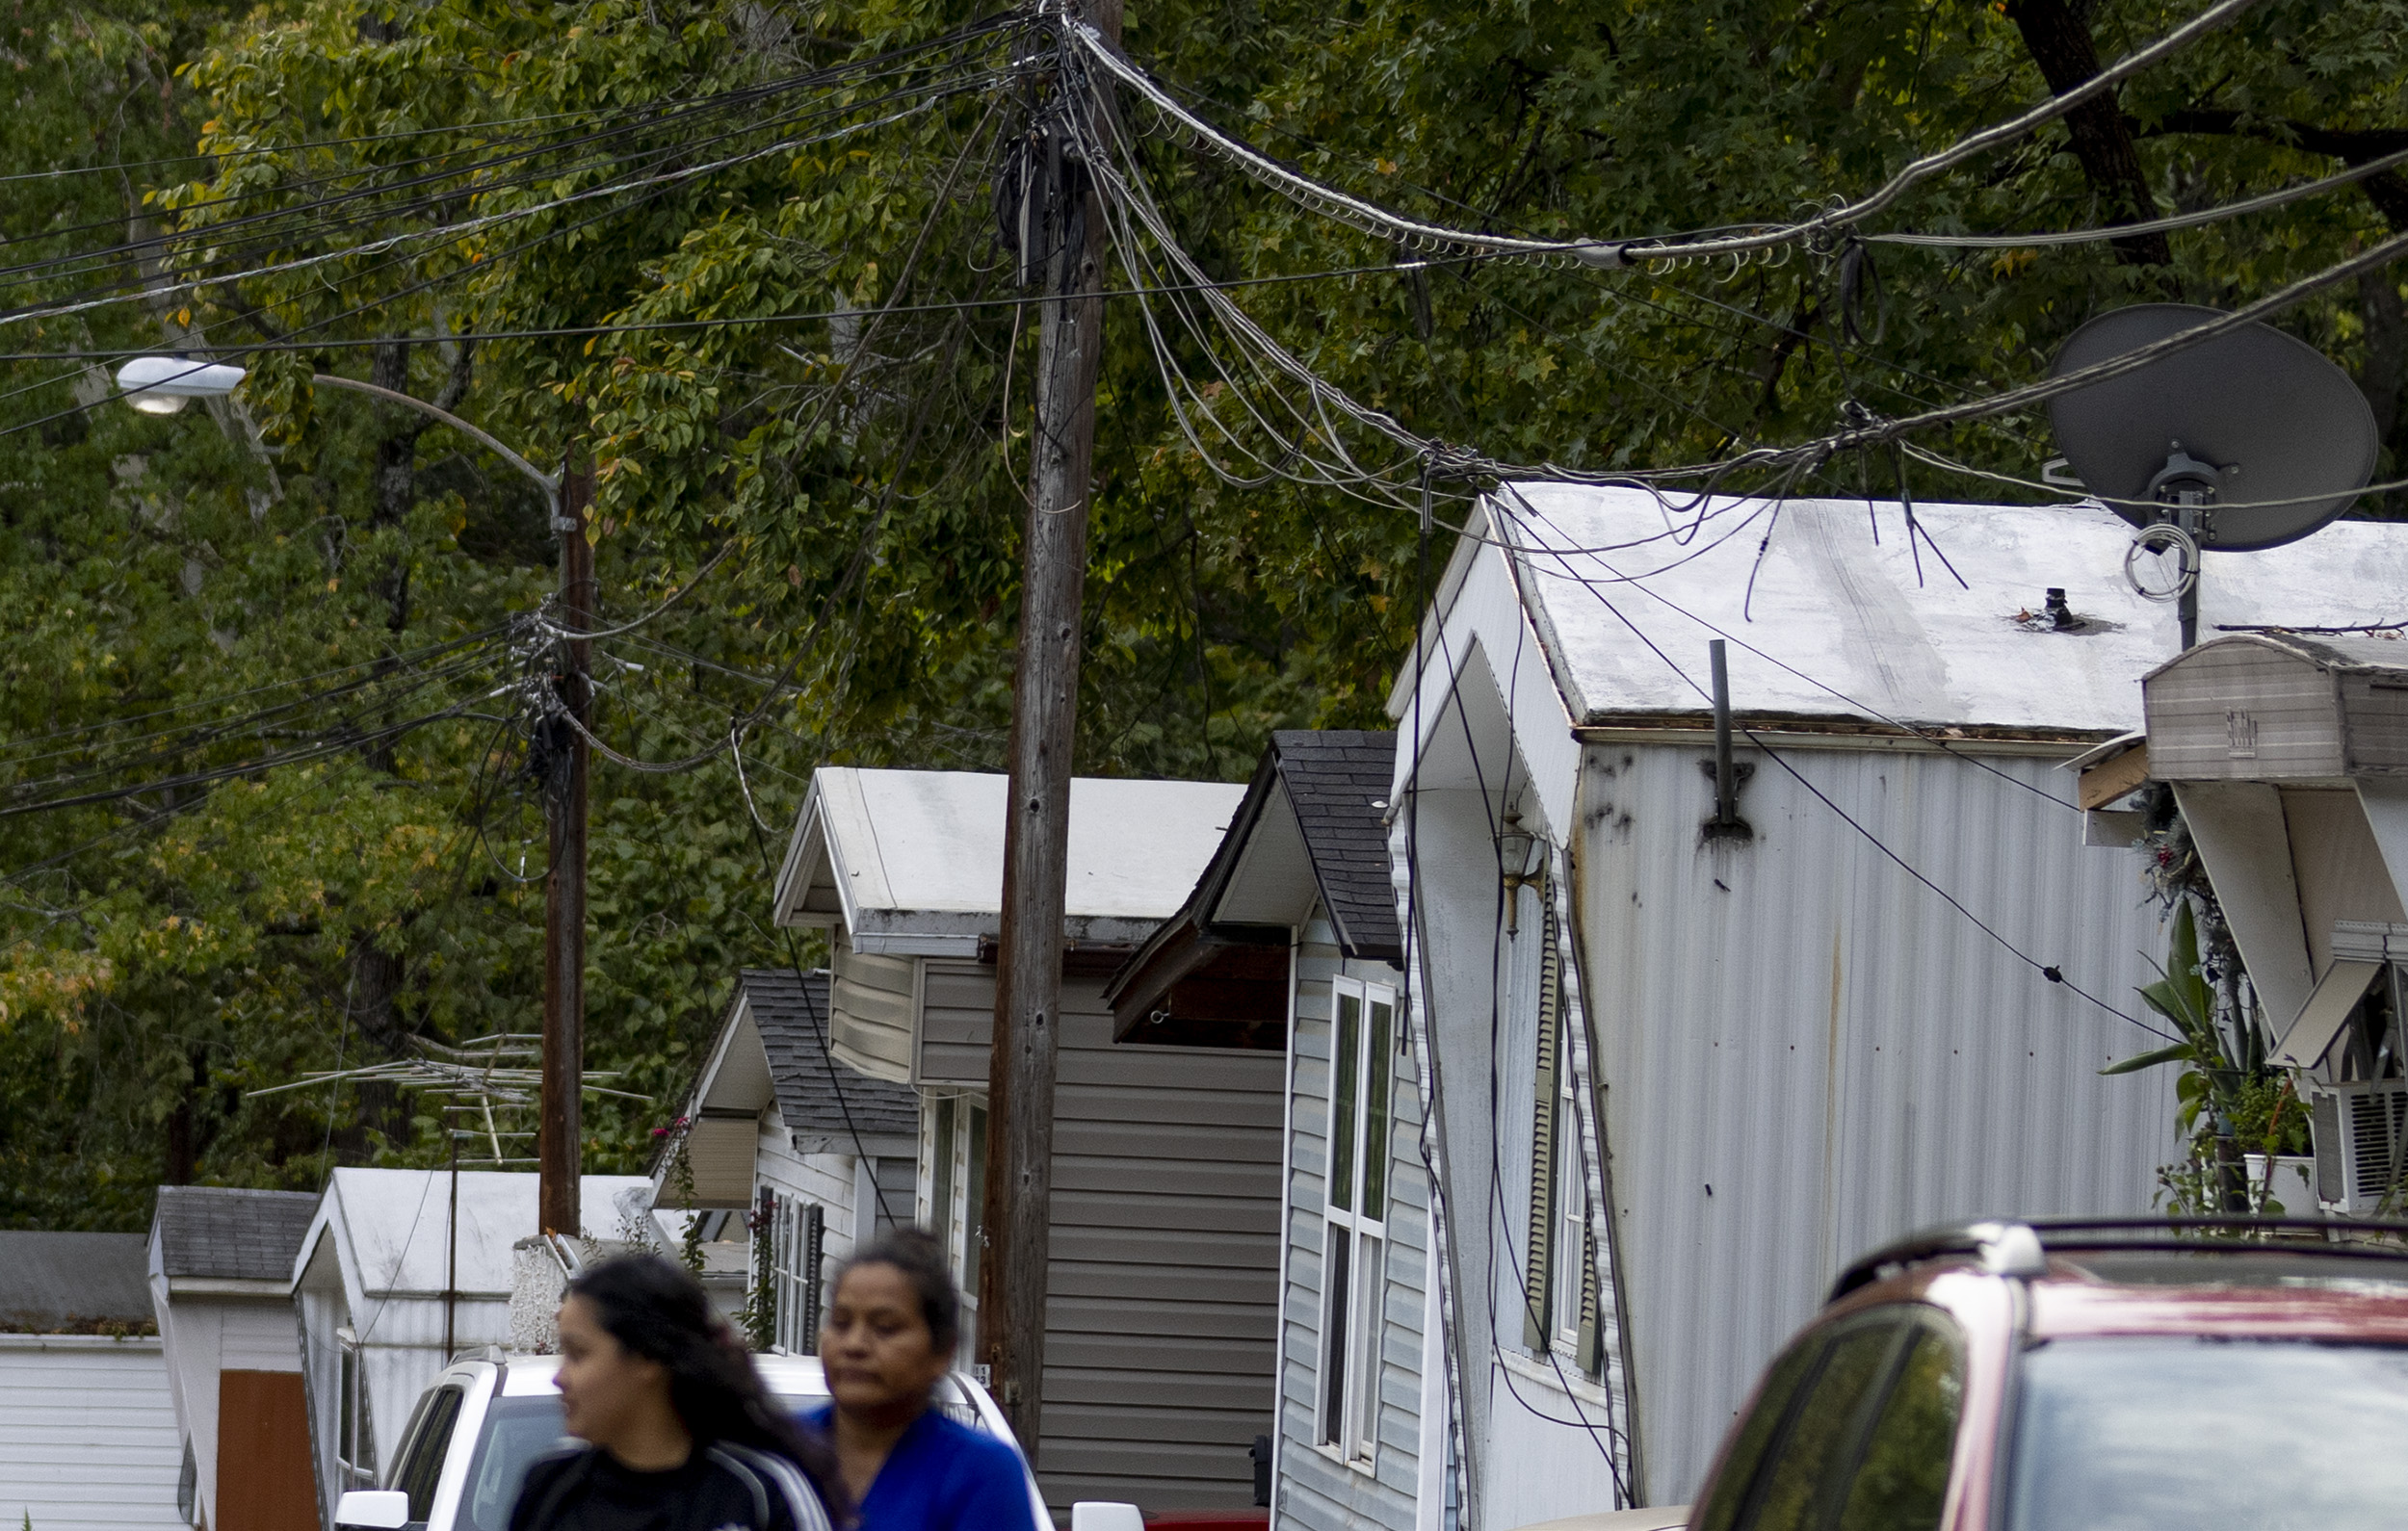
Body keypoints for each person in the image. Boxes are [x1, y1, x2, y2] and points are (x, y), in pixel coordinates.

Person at [512, 1255, 843, 1531]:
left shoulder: (760, 1495)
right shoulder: (549, 1486)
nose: (559, 1377)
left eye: (578, 1353)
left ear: (647, 1358)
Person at [806, 1230, 1045, 1531]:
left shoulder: (979, 1471)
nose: (854, 1344)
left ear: (943, 1351)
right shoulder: (779, 1449)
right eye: (840, 1323)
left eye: (885, 1327)